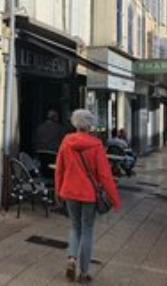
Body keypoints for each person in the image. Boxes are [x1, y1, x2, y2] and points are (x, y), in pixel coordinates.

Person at [55, 109, 121, 283]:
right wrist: (114, 199)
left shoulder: (66, 142)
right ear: (90, 125)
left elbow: (59, 169)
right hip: (89, 194)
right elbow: (105, 175)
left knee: (74, 227)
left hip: (69, 191)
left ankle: (71, 259)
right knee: (87, 230)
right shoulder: (96, 145)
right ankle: (84, 273)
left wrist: (58, 191)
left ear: (75, 124)